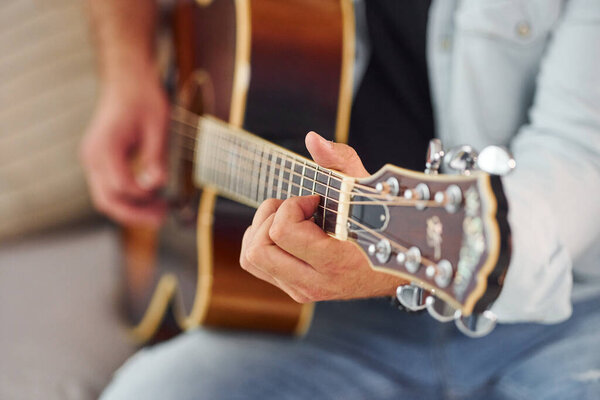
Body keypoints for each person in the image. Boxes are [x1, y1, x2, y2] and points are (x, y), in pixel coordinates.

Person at [80, 0, 600, 399]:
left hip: (560, 311)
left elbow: (578, 154)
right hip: (316, 320)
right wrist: (128, 72)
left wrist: (396, 265)